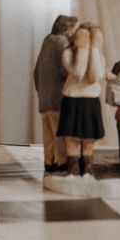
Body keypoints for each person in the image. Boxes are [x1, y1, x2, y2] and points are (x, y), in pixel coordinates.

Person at [58, 22, 107, 176]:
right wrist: (83, 49)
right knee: (71, 138)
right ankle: (72, 165)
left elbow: (94, 77)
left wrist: (94, 50)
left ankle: (87, 165)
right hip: (72, 99)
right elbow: (78, 74)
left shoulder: (99, 57)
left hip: (91, 101)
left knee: (89, 138)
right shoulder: (67, 54)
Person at [35, 14, 77, 173]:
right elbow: (67, 69)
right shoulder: (62, 43)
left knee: (48, 134)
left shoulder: (47, 41)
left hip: (45, 98)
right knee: (59, 132)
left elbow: (36, 71)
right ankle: (61, 163)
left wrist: (40, 90)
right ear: (67, 29)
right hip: (57, 97)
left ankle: (49, 162)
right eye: (73, 29)